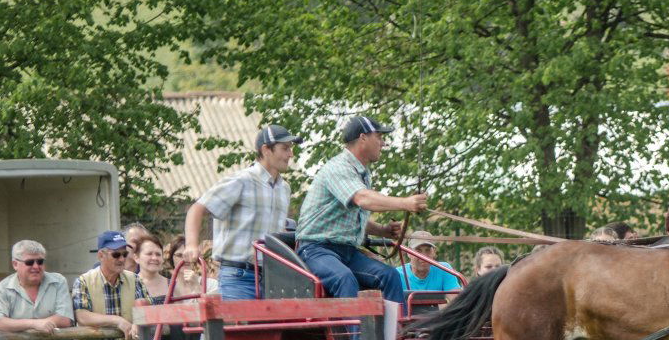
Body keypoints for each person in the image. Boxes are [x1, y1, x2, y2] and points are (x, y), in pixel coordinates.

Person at [296, 114, 425, 305]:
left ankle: (397, 334)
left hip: (346, 251)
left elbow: (350, 217)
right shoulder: (338, 167)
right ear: (363, 138)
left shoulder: (362, 172)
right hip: (316, 249)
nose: (383, 143)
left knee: (390, 276)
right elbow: (362, 199)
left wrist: (382, 231)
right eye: (379, 137)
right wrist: (406, 203)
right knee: (344, 279)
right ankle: (354, 336)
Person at [184, 124, 301, 300]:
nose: (290, 154)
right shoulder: (242, 180)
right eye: (285, 148)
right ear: (266, 150)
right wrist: (192, 245)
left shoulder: (284, 188)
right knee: (238, 328)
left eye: (290, 149)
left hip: (272, 279)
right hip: (238, 277)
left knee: (272, 328)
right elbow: (197, 208)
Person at [395, 231, 461, 291]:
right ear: (408, 253)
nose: (423, 256)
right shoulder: (397, 275)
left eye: (428, 250)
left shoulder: (444, 269)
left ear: (434, 252)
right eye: (418, 250)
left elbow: (457, 300)